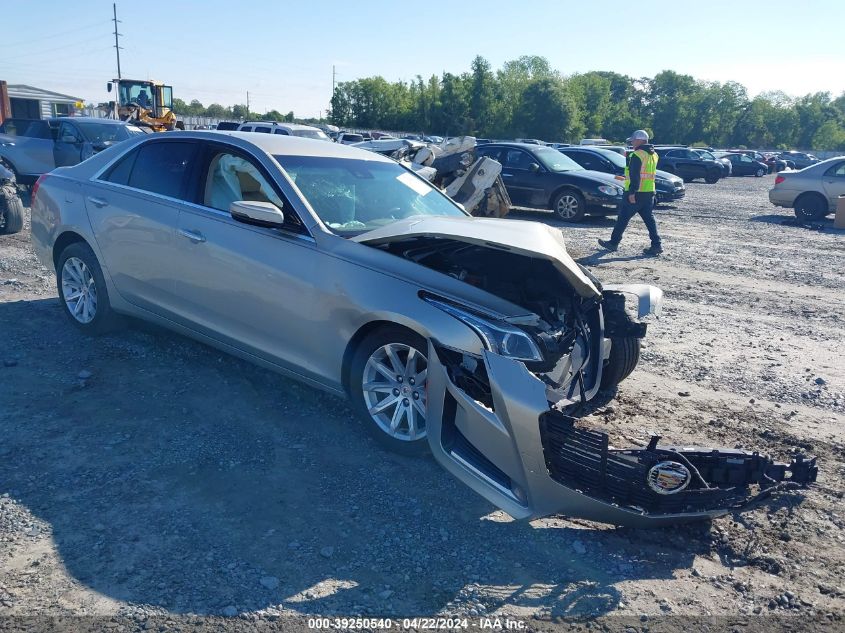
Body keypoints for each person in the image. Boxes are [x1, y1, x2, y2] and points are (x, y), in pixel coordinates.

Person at [598, 130, 662, 256]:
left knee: (622, 218)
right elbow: (644, 175)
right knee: (650, 220)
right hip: (649, 192)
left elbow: (635, 176)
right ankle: (657, 245)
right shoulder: (654, 155)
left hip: (635, 193)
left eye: (633, 140)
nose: (632, 142)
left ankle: (613, 243)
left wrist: (632, 192)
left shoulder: (637, 155)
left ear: (640, 140)